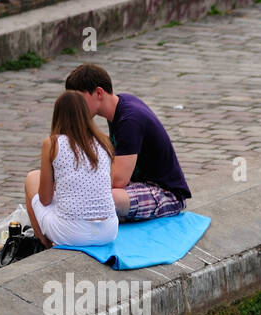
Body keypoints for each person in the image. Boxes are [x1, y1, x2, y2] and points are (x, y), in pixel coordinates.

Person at [63, 64, 191, 222]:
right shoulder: (118, 106)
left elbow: (118, 180)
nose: (75, 108)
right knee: (93, 196)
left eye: (79, 100)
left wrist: (78, 187)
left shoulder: (130, 119)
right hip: (139, 185)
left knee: (109, 198)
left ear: (99, 92)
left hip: (167, 194)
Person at [23, 91, 119, 248]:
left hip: (72, 233)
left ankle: (44, 244)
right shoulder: (104, 142)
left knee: (32, 177)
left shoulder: (53, 143)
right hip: (108, 231)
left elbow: (45, 199)